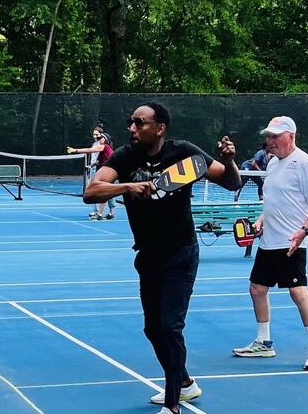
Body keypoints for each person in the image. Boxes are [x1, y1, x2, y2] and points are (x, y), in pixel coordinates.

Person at [83, 102, 241, 414]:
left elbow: (232, 182)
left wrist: (229, 161)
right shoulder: (126, 156)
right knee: (153, 329)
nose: (132, 128)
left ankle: (172, 406)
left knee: (170, 327)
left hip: (181, 252)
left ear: (160, 128)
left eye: (139, 123)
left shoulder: (183, 152)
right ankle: (184, 383)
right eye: (131, 122)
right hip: (148, 254)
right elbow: (92, 191)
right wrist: (128, 186)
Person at [232, 116, 308, 372]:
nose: (269, 141)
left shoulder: (304, 163)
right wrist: (262, 219)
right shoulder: (273, 163)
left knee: (298, 292)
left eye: (275, 136)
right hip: (268, 242)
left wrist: (303, 231)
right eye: (268, 136)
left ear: (291, 136)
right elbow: (274, 200)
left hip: (291, 242)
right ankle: (264, 342)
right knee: (257, 289)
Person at [68, 124, 116, 220]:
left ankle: (100, 213)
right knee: (106, 192)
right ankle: (103, 213)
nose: (98, 139)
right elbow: (100, 160)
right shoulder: (106, 148)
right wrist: (91, 165)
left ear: (105, 139)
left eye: (100, 137)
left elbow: (90, 150)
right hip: (106, 171)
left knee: (104, 192)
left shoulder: (103, 146)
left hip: (108, 173)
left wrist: (75, 150)